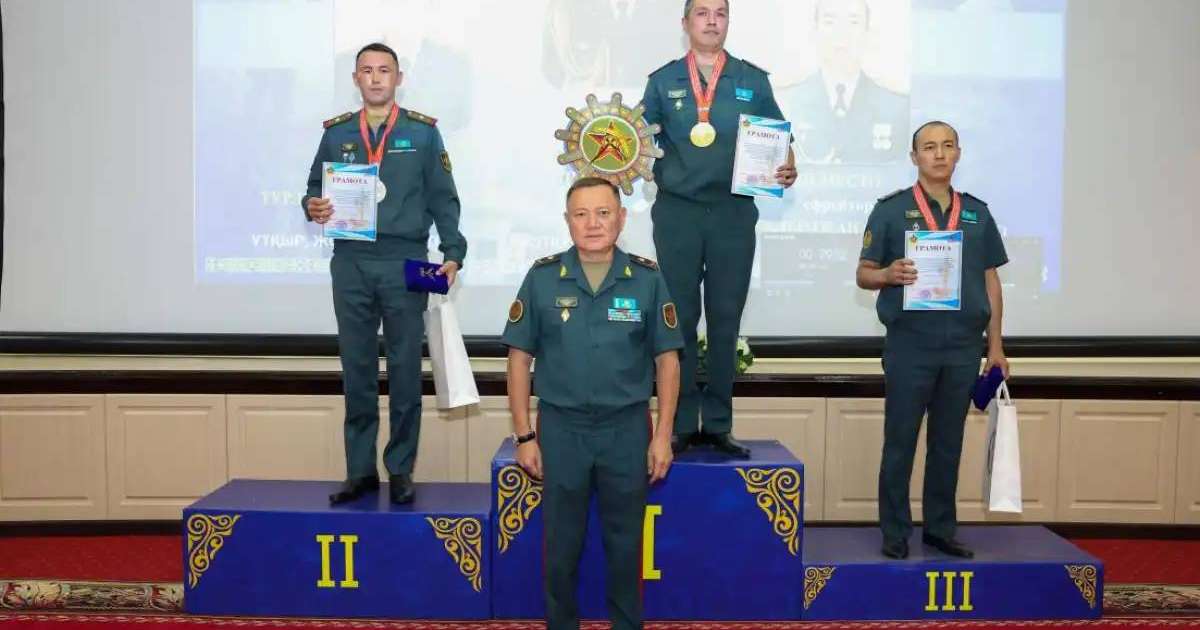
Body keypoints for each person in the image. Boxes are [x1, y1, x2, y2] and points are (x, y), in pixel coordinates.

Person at [503, 177, 683, 630]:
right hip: (562, 432)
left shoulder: (647, 278)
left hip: (626, 432)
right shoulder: (542, 279)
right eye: (581, 214)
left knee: (625, 549)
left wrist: (662, 436)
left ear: (622, 218)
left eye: (603, 213)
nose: (593, 223)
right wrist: (525, 435)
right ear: (567, 222)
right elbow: (519, 360)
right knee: (561, 549)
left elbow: (668, 362)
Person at [302, 42, 467, 506]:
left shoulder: (422, 133)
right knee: (357, 372)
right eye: (367, 71)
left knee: (404, 372)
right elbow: (313, 189)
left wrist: (453, 251)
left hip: (405, 260)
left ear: (399, 78)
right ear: (355, 79)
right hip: (350, 262)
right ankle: (359, 472)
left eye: (384, 71)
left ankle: (400, 470)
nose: (375, 78)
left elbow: (443, 198)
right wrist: (312, 205)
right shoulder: (336, 135)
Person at [640, 0, 797, 458]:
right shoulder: (663, 80)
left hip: (732, 215)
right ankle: (683, 422)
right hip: (679, 214)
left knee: (726, 320)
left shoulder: (752, 79)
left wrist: (788, 167)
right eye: (703, 13)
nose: (712, 21)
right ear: (685, 23)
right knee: (681, 320)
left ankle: (721, 424)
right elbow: (635, 138)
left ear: (728, 22)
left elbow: (781, 143)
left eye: (721, 13)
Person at [856, 120, 1010, 559]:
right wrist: (886, 274)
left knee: (948, 443)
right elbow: (864, 273)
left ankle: (940, 528)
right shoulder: (890, 210)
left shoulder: (978, 212)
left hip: (963, 348)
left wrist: (995, 346)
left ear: (958, 153)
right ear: (914, 157)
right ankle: (895, 532)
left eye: (947, 146)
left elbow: (991, 281)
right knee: (900, 441)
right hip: (911, 347)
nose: (938, 154)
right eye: (928, 147)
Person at [782, 0, 909, 164]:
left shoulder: (896, 107)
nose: (841, 33)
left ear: (868, 32)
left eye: (853, 22)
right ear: (815, 31)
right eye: (830, 22)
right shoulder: (785, 102)